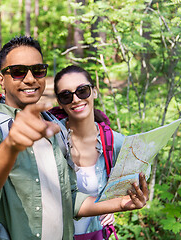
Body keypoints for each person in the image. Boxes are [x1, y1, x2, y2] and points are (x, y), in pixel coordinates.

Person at [0, 36, 148, 239]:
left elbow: (69, 198)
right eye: (18, 72)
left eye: (38, 70)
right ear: (1, 79)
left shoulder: (55, 128)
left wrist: (119, 204)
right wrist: (11, 146)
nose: (30, 78)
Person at [52, 65, 124, 238]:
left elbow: (129, 179)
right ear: (60, 103)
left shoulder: (114, 141)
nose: (76, 99)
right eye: (66, 95)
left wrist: (112, 204)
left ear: (94, 92)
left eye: (82, 91)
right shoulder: (51, 138)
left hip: (95, 234)